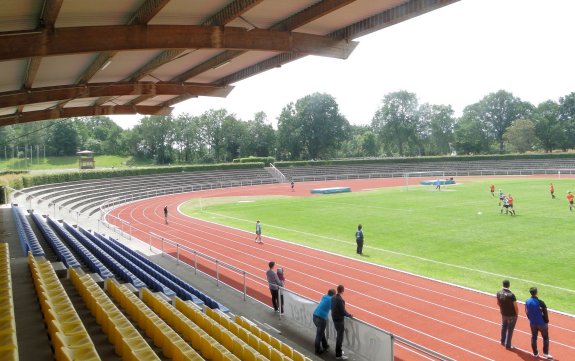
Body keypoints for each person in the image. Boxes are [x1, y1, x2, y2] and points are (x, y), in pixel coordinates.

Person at [525, 287, 552, 359]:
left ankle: (535, 353)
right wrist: (546, 321)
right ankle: (545, 353)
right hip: (542, 323)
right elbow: (545, 313)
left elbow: (526, 312)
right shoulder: (541, 302)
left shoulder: (527, 301)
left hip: (532, 323)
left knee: (534, 337)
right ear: (536, 293)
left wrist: (530, 319)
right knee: (545, 338)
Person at [331, 285, 353, 360]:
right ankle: (338, 354)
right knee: (340, 338)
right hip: (339, 320)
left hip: (334, 319)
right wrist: (349, 315)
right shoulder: (340, 300)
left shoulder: (333, 297)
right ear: (343, 291)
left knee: (339, 336)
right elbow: (343, 311)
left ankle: (339, 351)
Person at [312, 288, 336, 354]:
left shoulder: (324, 296)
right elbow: (333, 308)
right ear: (333, 295)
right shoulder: (332, 300)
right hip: (321, 318)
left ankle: (325, 345)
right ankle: (317, 350)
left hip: (315, 315)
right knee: (319, 335)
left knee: (321, 332)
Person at [496, 280, 518, 349]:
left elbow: (498, 303)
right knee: (510, 329)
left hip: (503, 314)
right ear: (509, 285)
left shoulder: (499, 293)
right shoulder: (511, 295)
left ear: (502, 284)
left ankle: (502, 341)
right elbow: (515, 306)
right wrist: (516, 314)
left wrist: (503, 309)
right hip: (511, 315)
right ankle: (508, 345)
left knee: (503, 327)